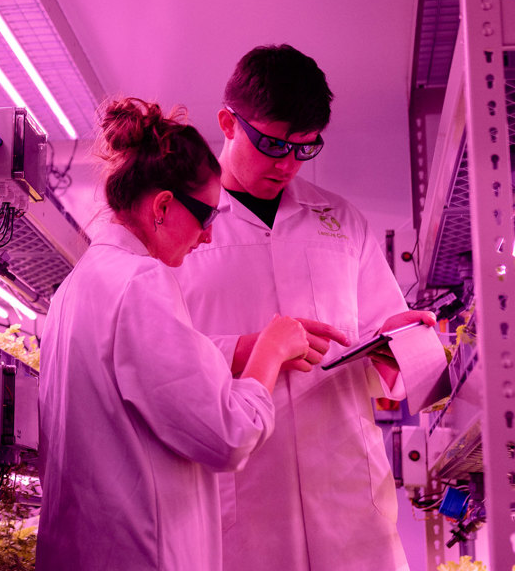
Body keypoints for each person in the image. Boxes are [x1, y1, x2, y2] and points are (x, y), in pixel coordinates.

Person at [37, 98, 335, 571]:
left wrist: (241, 349)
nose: (210, 236)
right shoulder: (141, 282)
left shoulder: (78, 287)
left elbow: (147, 367)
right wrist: (271, 352)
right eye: (207, 216)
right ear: (162, 206)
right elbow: (229, 435)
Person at [173, 44, 440, 571]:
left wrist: (396, 343)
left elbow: (377, 335)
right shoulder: (179, 225)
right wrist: (244, 352)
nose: (287, 165)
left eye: (305, 149)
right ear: (228, 122)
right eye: (272, 145)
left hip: (347, 490)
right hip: (239, 492)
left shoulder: (340, 221)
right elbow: (153, 355)